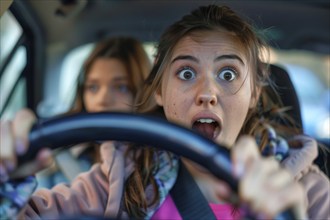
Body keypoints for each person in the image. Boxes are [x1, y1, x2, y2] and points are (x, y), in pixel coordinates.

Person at [0, 4, 329, 220]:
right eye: (186, 73)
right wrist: (7, 181)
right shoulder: (119, 177)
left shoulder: (309, 192)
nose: (207, 93)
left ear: (255, 93)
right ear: (159, 91)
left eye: (228, 74)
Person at [36, 36, 152, 188]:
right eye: (93, 87)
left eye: (121, 87)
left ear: (144, 93)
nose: (102, 99)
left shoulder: (163, 162)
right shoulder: (55, 156)